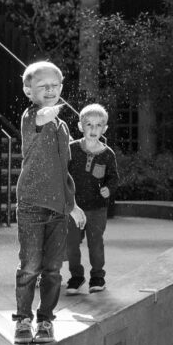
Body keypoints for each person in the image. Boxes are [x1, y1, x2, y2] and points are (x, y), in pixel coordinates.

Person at [13, 61, 86, 345]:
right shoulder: (31, 118)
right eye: (43, 86)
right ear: (28, 90)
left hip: (57, 208)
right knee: (30, 266)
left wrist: (73, 205)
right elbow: (42, 117)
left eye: (55, 86)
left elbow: (63, 170)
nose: (50, 90)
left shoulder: (63, 126)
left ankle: (45, 319)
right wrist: (48, 112)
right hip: (31, 204)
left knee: (53, 269)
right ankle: (22, 320)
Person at [66, 103, 119, 294]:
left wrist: (108, 188)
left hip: (97, 208)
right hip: (74, 208)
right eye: (89, 124)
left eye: (98, 125)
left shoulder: (107, 154)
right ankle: (76, 276)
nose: (93, 129)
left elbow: (113, 178)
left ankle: (97, 277)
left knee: (95, 243)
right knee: (71, 244)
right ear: (81, 127)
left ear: (104, 129)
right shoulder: (71, 149)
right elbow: (63, 174)